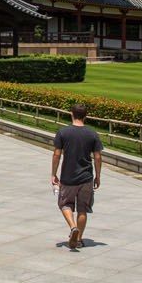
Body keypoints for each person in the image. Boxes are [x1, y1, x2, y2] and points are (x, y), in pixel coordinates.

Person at [52, 103, 103, 250]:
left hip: (68, 176)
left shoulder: (63, 132)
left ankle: (73, 227)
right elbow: (98, 157)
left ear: (71, 114)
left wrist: (53, 173)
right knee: (83, 209)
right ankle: (79, 239)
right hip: (86, 177)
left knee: (65, 204)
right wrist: (98, 176)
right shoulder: (92, 133)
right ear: (85, 116)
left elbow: (56, 154)